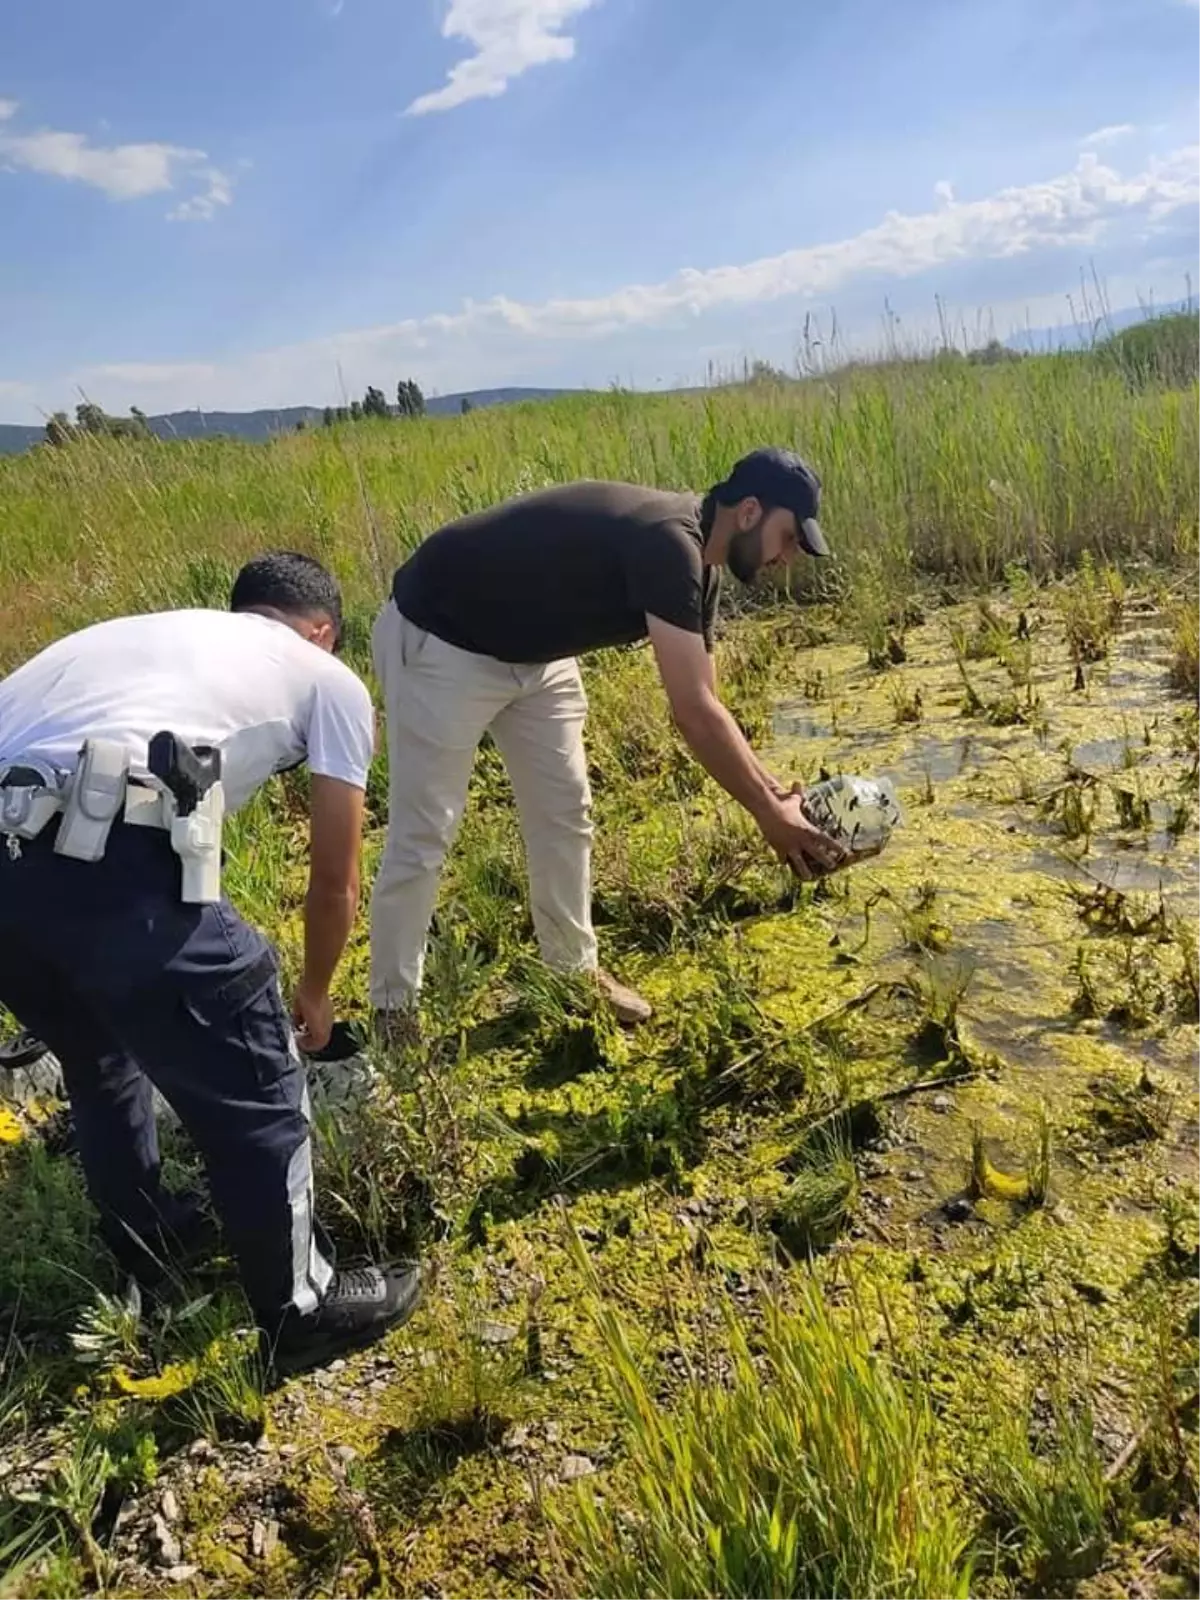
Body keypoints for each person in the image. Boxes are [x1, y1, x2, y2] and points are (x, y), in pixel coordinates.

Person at [0, 553, 422, 1378]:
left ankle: (148, 1240)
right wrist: (314, 992)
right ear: (321, 632)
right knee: (261, 1077)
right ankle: (301, 1310)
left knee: (99, 1060)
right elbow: (335, 874)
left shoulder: (127, 640)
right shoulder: (323, 678)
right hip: (110, 855)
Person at [369, 448, 846, 1031]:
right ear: (749, 511)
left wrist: (778, 799)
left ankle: (570, 974)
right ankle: (393, 1011)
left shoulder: (705, 566)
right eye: (790, 538)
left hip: (537, 655)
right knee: (425, 833)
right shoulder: (669, 543)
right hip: (444, 635)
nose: (789, 558)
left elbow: (710, 705)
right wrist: (769, 817)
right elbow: (691, 714)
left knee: (566, 813)